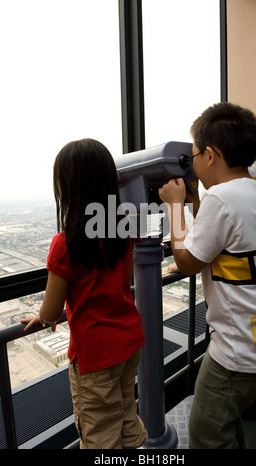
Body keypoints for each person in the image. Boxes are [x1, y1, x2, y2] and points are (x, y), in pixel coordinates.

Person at [159, 102, 256, 449]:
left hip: (237, 354)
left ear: (211, 155)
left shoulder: (221, 197)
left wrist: (174, 205)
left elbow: (187, 262)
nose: (194, 163)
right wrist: (193, 202)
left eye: (195, 155)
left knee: (207, 434)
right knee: (226, 423)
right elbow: (219, 239)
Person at [21, 138, 147, 449]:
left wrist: (42, 315)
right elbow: (124, 280)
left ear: (67, 187)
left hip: (95, 355)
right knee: (127, 415)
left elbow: (50, 313)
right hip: (129, 341)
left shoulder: (65, 245)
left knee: (100, 436)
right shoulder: (123, 229)